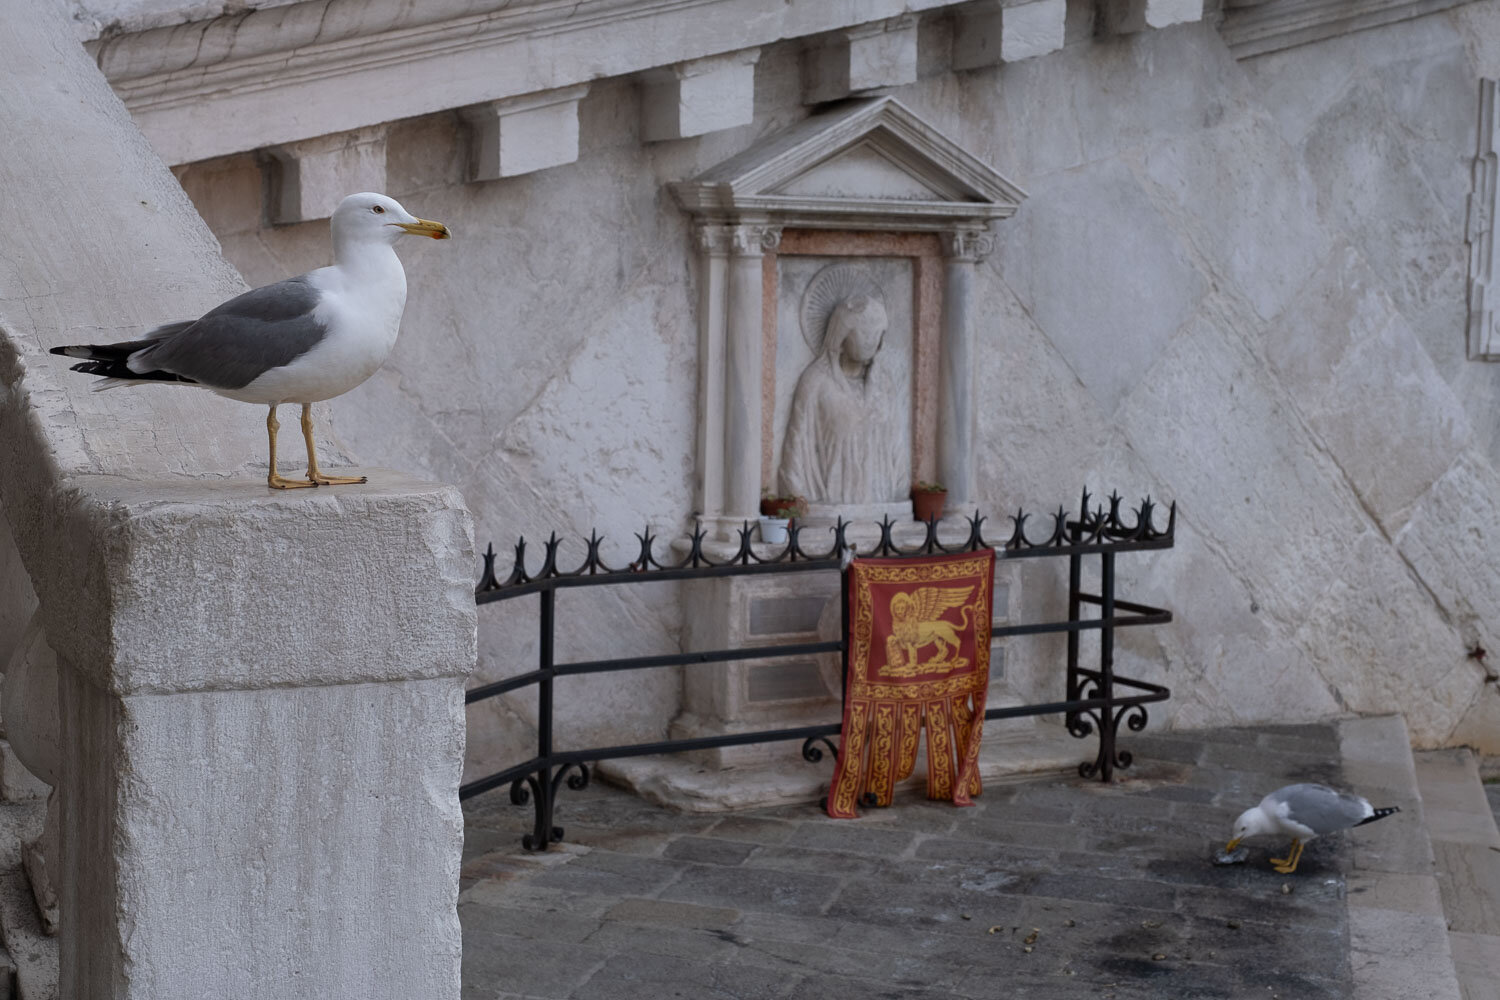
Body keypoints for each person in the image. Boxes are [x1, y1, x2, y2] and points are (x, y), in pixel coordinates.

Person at [779, 293, 907, 505]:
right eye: (864, 332)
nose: (870, 340)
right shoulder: (816, 382)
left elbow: (896, 449)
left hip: (881, 510)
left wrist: (900, 496)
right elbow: (797, 448)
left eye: (875, 333)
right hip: (831, 507)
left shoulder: (883, 384)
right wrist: (797, 501)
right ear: (842, 334)